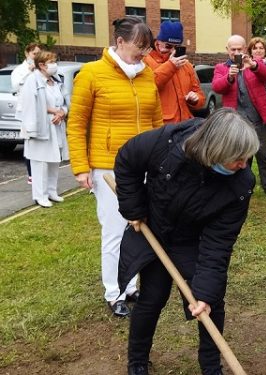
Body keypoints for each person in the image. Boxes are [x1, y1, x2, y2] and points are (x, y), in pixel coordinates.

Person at [114, 108, 259, 375]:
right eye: (238, 158)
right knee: (152, 298)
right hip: (153, 229)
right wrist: (133, 209)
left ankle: (211, 367)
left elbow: (219, 242)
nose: (244, 163)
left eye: (247, 156)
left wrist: (204, 293)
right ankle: (137, 362)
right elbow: (126, 161)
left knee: (210, 303)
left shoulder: (240, 184)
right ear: (216, 152)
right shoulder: (168, 143)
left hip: (191, 240)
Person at [67, 16, 163, 317]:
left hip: (144, 164)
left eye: (146, 49)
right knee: (115, 230)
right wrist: (81, 167)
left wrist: (160, 157)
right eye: (138, 47)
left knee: (139, 227)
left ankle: (132, 284)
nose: (143, 54)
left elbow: (157, 122)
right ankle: (115, 290)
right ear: (120, 42)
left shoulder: (147, 75)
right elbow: (77, 123)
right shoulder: (92, 74)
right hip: (108, 166)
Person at [212, 35, 266, 200]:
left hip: (257, 119)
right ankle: (242, 187)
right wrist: (229, 77)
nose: (236, 52)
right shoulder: (221, 68)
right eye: (233, 49)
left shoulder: (253, 64)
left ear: (245, 49)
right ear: (227, 50)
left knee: (263, 155)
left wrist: (254, 65)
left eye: (239, 49)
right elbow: (217, 87)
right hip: (235, 120)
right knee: (240, 156)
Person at [16, 50, 69, 207]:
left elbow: (65, 101)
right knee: (39, 162)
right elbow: (30, 105)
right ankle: (40, 195)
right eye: (52, 62)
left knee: (54, 160)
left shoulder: (56, 81)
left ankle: (52, 191)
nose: (55, 65)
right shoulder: (32, 81)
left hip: (57, 125)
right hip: (40, 126)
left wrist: (62, 113)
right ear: (41, 65)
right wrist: (54, 111)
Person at [144, 21, 205, 124]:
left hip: (185, 126)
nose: (172, 51)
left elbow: (200, 96)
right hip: (162, 128)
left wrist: (195, 99)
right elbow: (149, 87)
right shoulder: (146, 61)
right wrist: (170, 66)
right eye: (168, 46)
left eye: (177, 48)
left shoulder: (187, 66)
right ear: (158, 42)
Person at [11, 43, 42, 184]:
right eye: (35, 54)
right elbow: (16, 85)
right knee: (29, 142)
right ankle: (31, 174)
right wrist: (29, 71)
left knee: (41, 143)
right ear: (27, 54)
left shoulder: (41, 69)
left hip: (41, 110)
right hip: (26, 111)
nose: (37, 57)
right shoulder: (20, 70)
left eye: (38, 54)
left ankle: (41, 173)